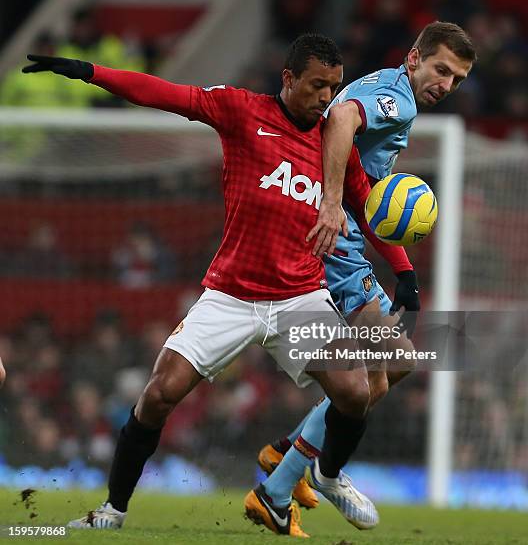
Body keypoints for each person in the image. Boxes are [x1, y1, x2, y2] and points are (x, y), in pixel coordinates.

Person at [23, 34, 406, 536]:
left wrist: (405, 274)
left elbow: (370, 209)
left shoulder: (335, 146)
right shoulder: (241, 111)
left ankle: (325, 475)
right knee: (159, 394)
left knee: (356, 392)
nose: (325, 98)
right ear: (288, 78)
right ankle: (111, 512)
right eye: (316, 85)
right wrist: (91, 72)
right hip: (230, 294)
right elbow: (165, 93)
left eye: (333, 88)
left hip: (299, 298)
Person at [249, 21, 476, 533]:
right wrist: (330, 203)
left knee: (389, 369)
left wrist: (404, 271)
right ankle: (316, 472)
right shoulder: (395, 98)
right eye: (441, 70)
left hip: (347, 246)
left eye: (458, 79)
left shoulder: (390, 92)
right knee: (386, 367)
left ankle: (283, 472)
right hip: (334, 249)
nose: (446, 84)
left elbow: (365, 189)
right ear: (415, 59)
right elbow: (342, 120)